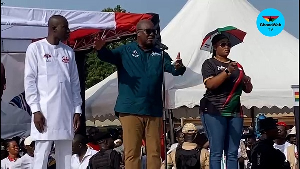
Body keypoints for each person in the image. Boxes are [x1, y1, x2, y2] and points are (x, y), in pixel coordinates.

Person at [94, 19, 186, 169]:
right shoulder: (126, 50)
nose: (152, 35)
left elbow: (175, 70)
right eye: (148, 32)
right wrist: (100, 49)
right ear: (138, 34)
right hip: (130, 109)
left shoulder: (160, 53)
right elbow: (108, 56)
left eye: (154, 32)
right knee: (132, 152)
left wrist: (179, 66)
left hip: (153, 109)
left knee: (155, 152)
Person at [24, 15, 82, 169]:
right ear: (53, 28)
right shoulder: (36, 48)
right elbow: (30, 81)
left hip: (66, 112)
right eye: (65, 27)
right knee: (41, 156)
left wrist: (77, 110)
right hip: (44, 112)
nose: (69, 31)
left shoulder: (69, 52)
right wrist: (35, 109)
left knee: (65, 157)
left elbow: (75, 84)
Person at [199, 34, 253, 169]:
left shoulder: (237, 65)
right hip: (214, 110)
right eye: (223, 44)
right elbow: (211, 85)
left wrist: (247, 81)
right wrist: (227, 71)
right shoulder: (209, 63)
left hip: (235, 112)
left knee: (233, 152)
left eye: (228, 44)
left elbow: (248, 89)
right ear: (215, 46)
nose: (227, 47)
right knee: (216, 152)